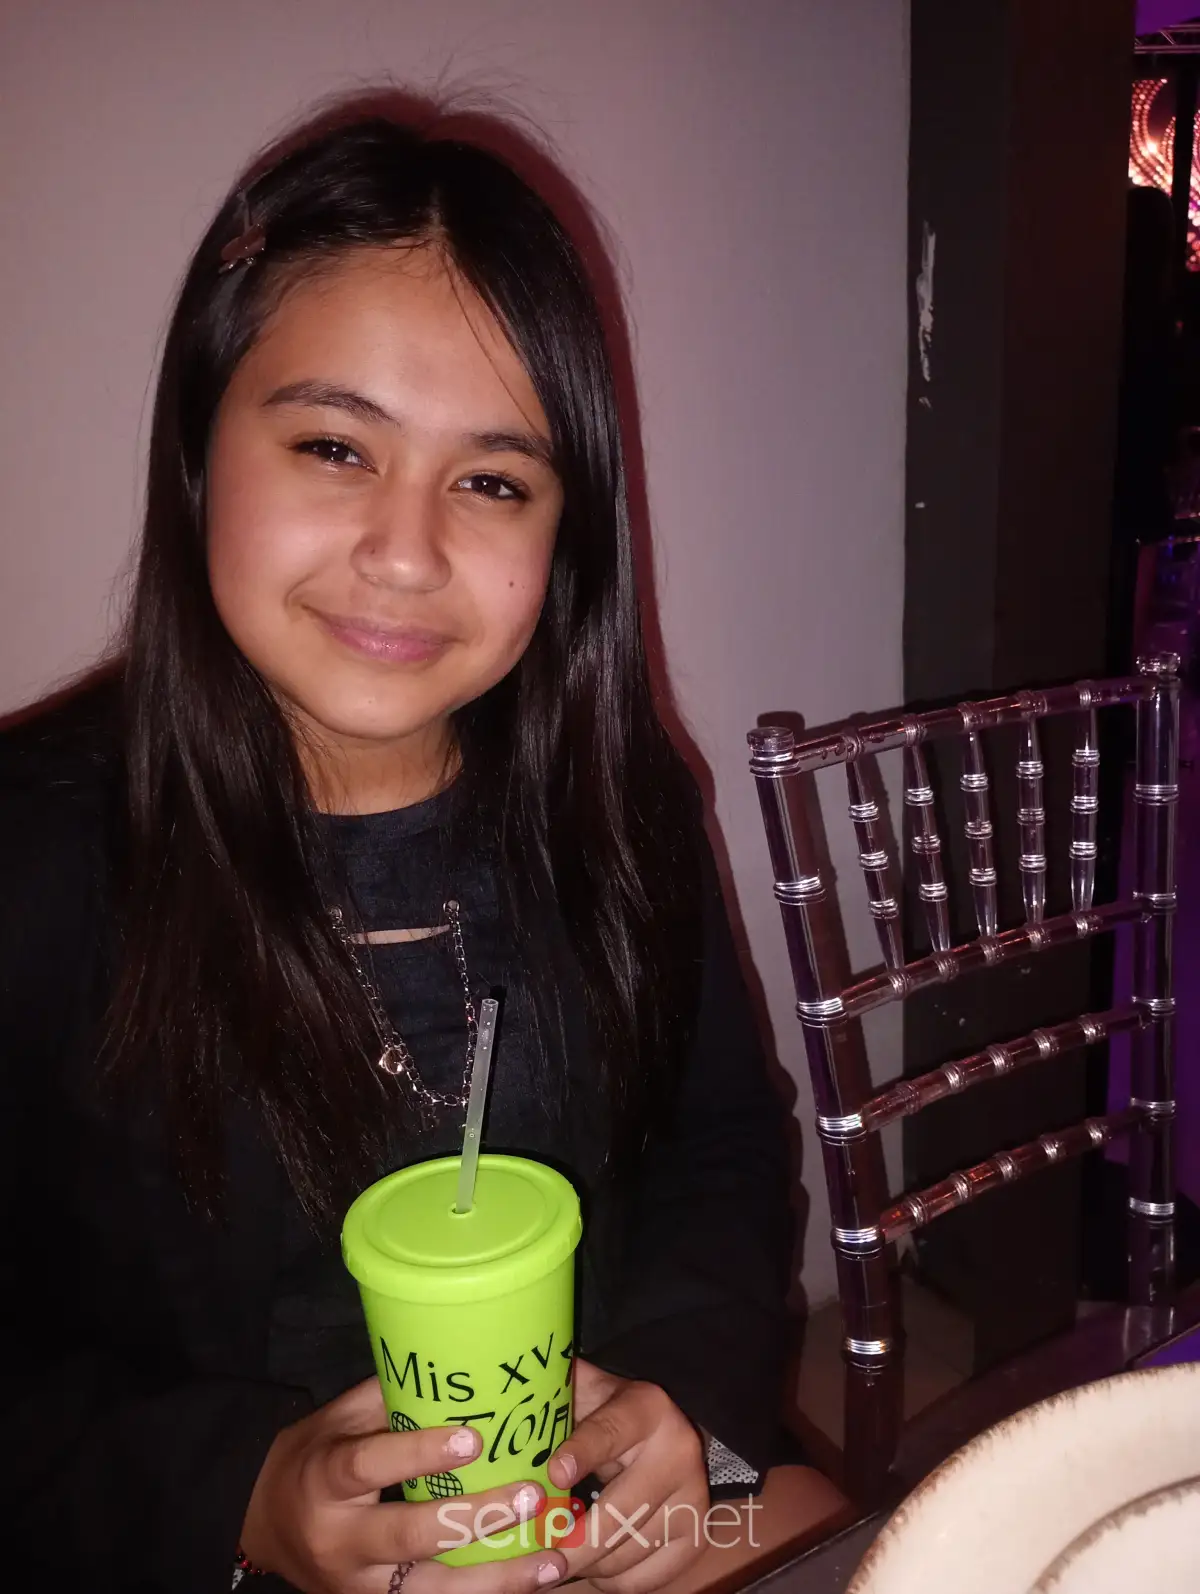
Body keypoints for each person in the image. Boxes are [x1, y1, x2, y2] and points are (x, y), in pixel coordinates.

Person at [1, 100, 837, 1594]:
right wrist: (243, 1497)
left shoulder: (619, 795)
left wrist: (687, 1420)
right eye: (334, 446)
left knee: (884, 1538)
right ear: (199, 448)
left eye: (494, 480)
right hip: (207, 1551)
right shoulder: (33, 847)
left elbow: (720, 1143)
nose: (406, 551)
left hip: (588, 1520)